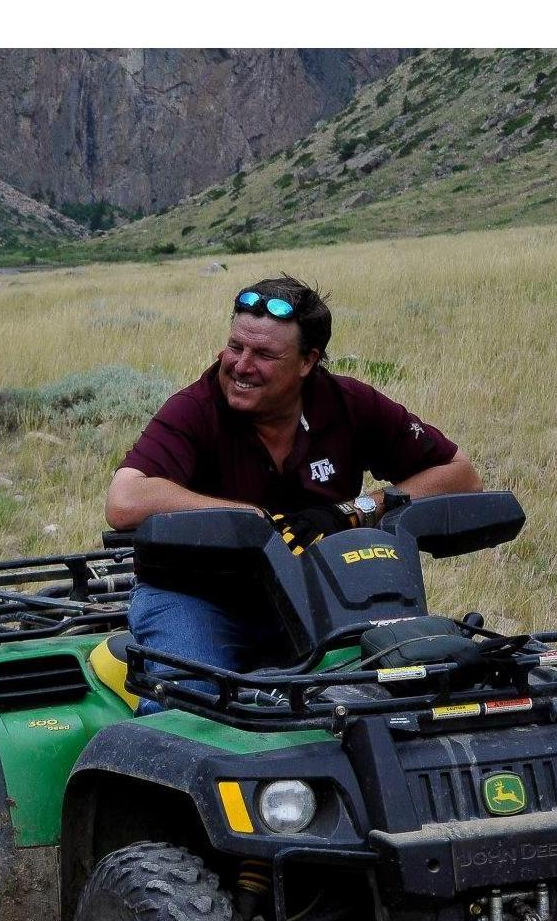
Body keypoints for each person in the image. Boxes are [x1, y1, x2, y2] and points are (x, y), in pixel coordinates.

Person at [107, 276, 481, 690]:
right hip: (197, 598)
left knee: (407, 687)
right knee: (192, 706)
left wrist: (356, 511)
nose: (241, 365)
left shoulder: (348, 404)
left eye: (264, 354)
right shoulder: (194, 409)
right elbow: (125, 500)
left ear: (307, 362)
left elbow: (460, 475)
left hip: (319, 593)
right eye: (236, 347)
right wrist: (251, 519)